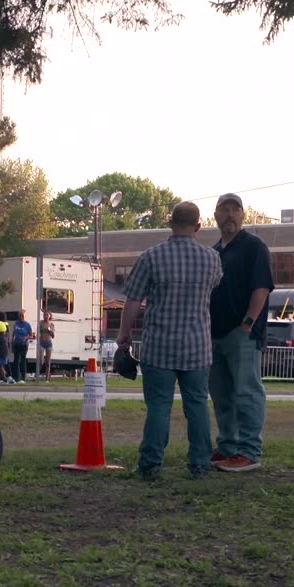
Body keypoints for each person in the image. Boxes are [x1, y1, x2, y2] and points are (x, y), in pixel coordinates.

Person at [117, 201, 223, 480]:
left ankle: (151, 464)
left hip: (159, 347)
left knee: (159, 407)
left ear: (170, 223)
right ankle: (200, 463)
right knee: (197, 405)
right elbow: (215, 286)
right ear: (198, 226)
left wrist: (123, 336)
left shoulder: (151, 257)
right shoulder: (212, 258)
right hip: (197, 347)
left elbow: (133, 300)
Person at [208, 193, 275, 473]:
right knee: (222, 392)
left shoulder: (254, 247)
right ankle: (228, 446)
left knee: (247, 391)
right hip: (214, 333)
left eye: (236, 210)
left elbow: (261, 286)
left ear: (243, 216)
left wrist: (248, 322)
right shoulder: (214, 251)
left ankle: (249, 450)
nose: (230, 215)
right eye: (225, 210)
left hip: (243, 333)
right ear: (216, 216)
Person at [10, 309, 34, 383]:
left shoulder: (27, 325)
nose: (21, 317)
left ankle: (23, 377)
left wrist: (26, 338)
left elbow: (31, 336)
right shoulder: (16, 323)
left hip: (24, 345)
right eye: (20, 315)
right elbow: (14, 333)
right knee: (16, 361)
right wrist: (12, 341)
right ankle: (16, 377)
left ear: (24, 316)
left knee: (22, 361)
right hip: (16, 344)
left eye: (22, 316)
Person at [0, 312, 11, 384]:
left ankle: (5, 378)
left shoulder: (0, 335)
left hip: (2, 351)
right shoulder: (5, 327)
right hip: (5, 349)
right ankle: (5, 377)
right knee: (2, 364)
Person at [37, 310, 55, 380]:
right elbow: (38, 332)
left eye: (47, 315)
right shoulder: (41, 323)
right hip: (42, 342)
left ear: (49, 316)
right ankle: (37, 375)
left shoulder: (51, 324)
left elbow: (53, 336)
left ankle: (47, 379)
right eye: (44, 315)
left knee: (48, 362)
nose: (46, 316)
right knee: (41, 360)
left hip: (49, 343)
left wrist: (50, 331)